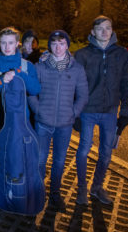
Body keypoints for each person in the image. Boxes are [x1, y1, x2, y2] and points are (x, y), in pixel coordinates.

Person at [74, 16, 128, 205]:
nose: (105, 32)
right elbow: (74, 85)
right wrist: (75, 113)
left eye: (108, 28)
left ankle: (97, 187)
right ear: (93, 32)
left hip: (110, 112)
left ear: (112, 30)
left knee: (106, 153)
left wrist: (124, 112)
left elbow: (126, 84)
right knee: (83, 150)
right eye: (100, 28)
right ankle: (82, 188)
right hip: (88, 111)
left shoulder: (121, 54)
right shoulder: (82, 55)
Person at [28, 30, 88, 211]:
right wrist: (38, 111)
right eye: (54, 43)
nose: (58, 47)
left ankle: (55, 193)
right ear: (50, 46)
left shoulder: (76, 69)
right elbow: (32, 93)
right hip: (43, 123)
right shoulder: (40, 67)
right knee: (40, 159)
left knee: (60, 161)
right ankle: (38, 193)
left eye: (62, 43)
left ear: (67, 45)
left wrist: (73, 113)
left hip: (65, 124)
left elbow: (83, 95)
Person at [0, 27, 41, 185]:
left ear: (17, 44)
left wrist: (19, 74)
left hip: (20, 123)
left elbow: (35, 89)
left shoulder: (27, 66)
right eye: (3, 43)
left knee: (16, 159)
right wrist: (1, 80)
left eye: (10, 43)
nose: (7, 47)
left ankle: (14, 191)